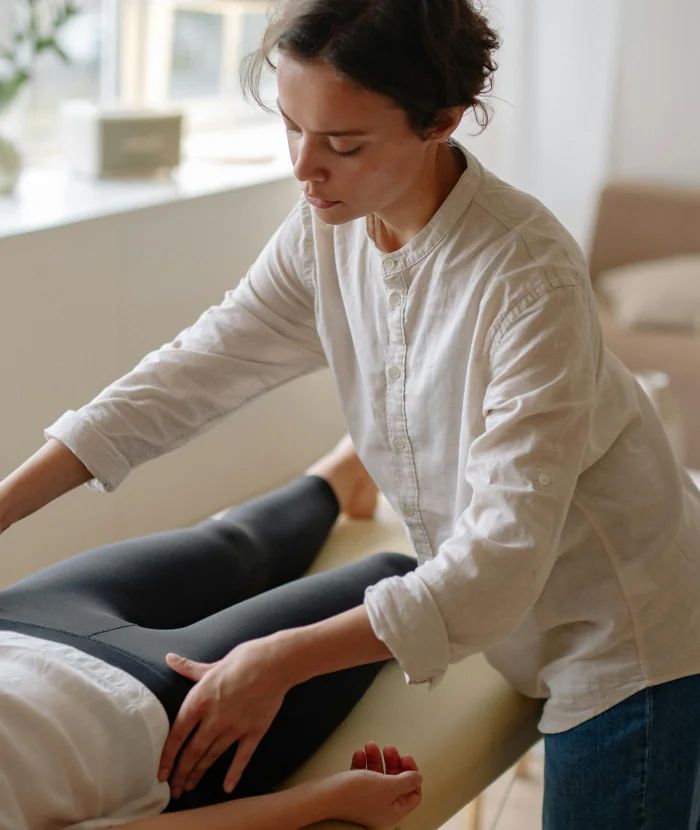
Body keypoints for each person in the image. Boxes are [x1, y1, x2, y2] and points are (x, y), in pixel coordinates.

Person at [2, 0, 700, 826]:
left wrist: (279, 659)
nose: (305, 167)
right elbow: (188, 375)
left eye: (343, 144)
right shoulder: (326, 230)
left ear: (441, 122)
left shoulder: (526, 279)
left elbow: (501, 559)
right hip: (505, 617)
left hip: (619, 629)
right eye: (291, 126)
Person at [0, 445, 423, 828]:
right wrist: (328, 800)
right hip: (148, 719)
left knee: (234, 544)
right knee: (393, 580)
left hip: (19, 623)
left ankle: (346, 472)